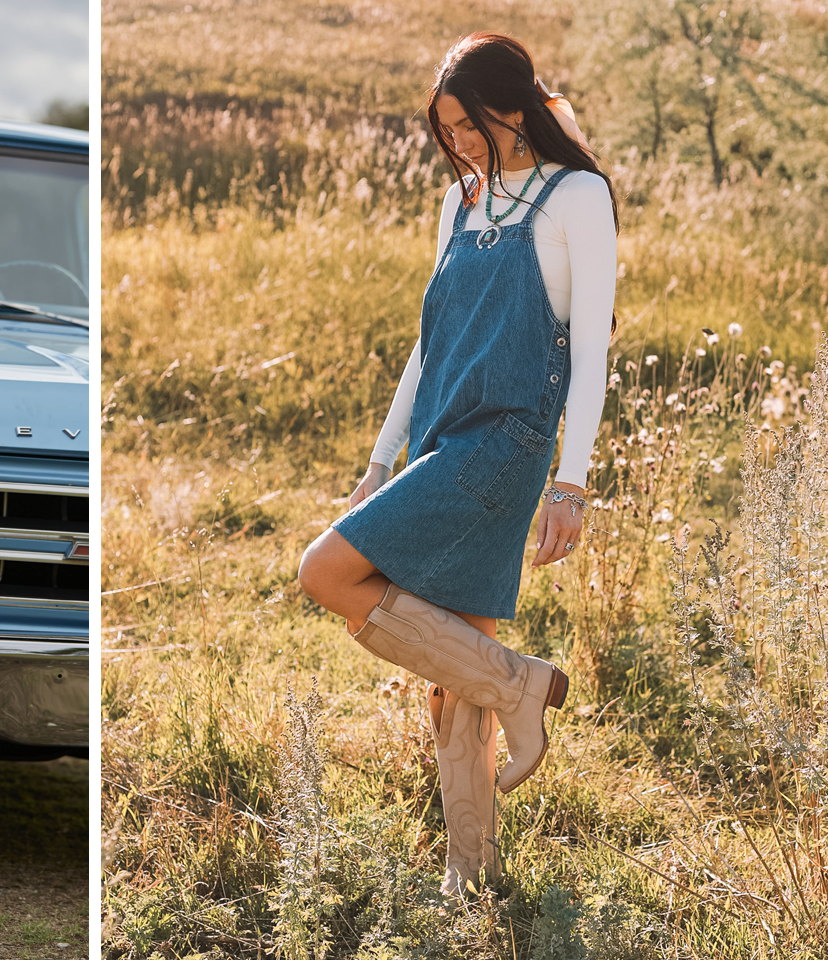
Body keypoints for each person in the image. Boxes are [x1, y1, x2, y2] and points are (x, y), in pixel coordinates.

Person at [296, 32, 617, 897]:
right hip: (441, 439)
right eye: (445, 130)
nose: (459, 142)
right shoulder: (460, 202)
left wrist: (571, 481)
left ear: (510, 107)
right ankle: (470, 880)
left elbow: (592, 352)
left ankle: (524, 688)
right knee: (455, 681)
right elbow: (425, 346)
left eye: (466, 124)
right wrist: (377, 463)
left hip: (504, 449)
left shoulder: (577, 197)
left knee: (324, 569)